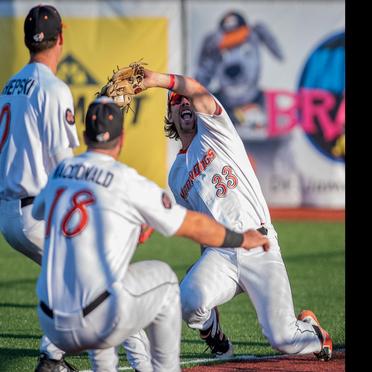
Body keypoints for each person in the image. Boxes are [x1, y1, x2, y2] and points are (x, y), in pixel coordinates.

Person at [31, 96, 270, 372]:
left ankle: (66, 363)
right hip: (97, 315)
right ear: (121, 138)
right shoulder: (126, 180)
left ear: (85, 135)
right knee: (164, 281)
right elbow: (192, 225)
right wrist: (241, 239)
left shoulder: (62, 171)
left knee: (109, 284)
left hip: (50, 320)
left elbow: (40, 212)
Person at [137, 68, 333, 361]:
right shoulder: (176, 175)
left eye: (186, 99)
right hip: (221, 254)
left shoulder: (216, 130)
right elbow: (201, 224)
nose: (185, 103)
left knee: (283, 340)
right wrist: (204, 261)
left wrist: (157, 80)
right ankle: (217, 339)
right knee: (189, 301)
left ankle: (312, 331)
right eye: (176, 101)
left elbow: (196, 90)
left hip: (259, 245)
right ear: (171, 115)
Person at [0, 5, 80, 371]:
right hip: (36, 211)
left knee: (71, 273)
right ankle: (52, 357)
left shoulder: (9, 84)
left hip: (9, 213)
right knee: (92, 268)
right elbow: (64, 163)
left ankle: (56, 355)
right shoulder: (53, 87)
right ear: (60, 37)